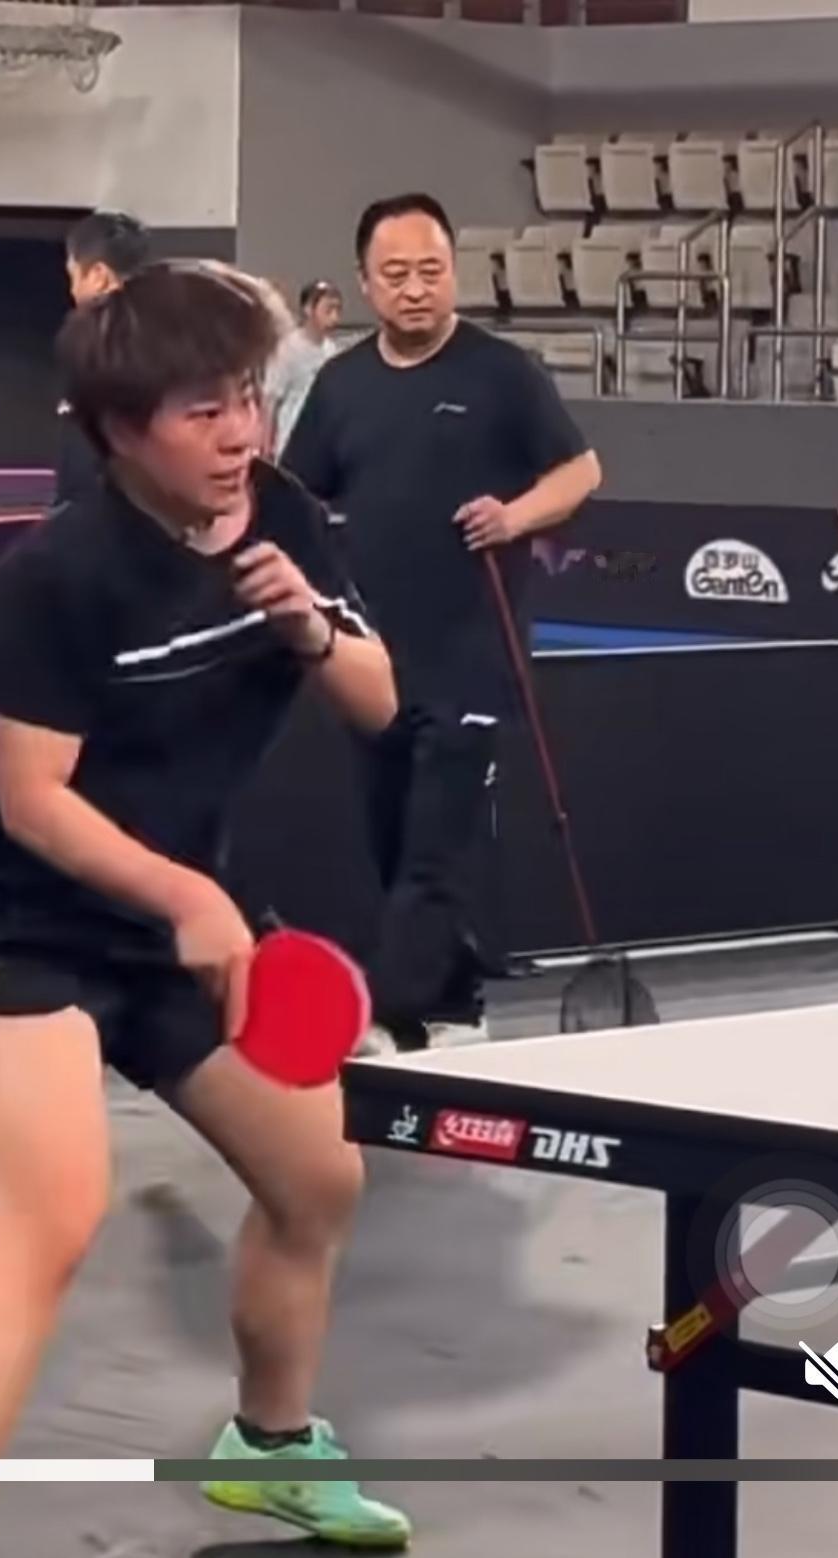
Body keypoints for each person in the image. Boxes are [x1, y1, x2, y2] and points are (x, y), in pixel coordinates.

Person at [0, 263, 411, 1558]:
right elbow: (33, 802)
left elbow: (377, 703)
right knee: (50, 1222)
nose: (241, 431)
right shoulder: (56, 578)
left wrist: (307, 627)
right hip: (28, 929)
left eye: (247, 396)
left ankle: (270, 1450)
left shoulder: (283, 515)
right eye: (204, 411)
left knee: (316, 1177)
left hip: (180, 935)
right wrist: (190, 895)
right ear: (119, 430)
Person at [284, 193, 602, 1051]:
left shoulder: (502, 373)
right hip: (370, 658)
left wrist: (513, 515)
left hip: (471, 650)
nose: (415, 288)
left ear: (454, 272)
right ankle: (452, 1004)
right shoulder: (341, 385)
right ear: (363, 284)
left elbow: (580, 471)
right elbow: (299, 491)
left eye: (431, 270)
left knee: (434, 841)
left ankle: (398, 1013)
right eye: (395, 274)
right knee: (389, 835)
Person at [56, 210, 149, 503]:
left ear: (98, 276)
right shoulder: (171, 342)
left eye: (73, 276)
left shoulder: (95, 345)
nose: (73, 290)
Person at [263, 280, 343, 459]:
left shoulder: (332, 350)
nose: (334, 317)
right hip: (289, 442)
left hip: (321, 443)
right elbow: (270, 400)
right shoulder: (287, 349)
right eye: (328, 310)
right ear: (308, 309)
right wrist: (266, 444)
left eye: (337, 310)